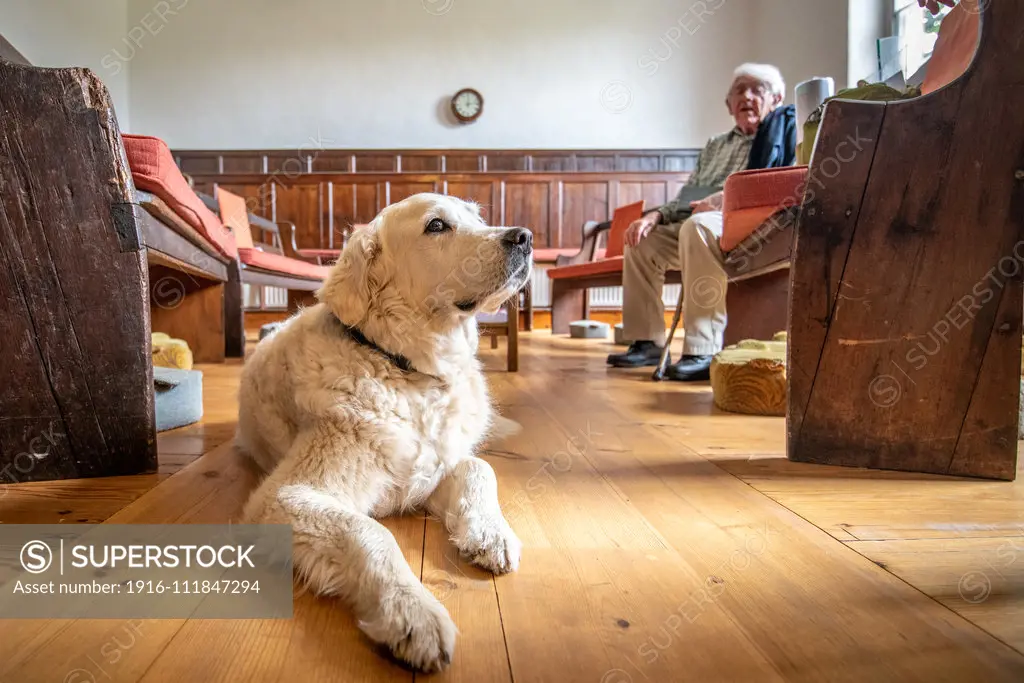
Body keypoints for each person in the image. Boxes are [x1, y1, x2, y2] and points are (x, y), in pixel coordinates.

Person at [607, 63, 788, 381]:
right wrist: (654, 216)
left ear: (776, 98)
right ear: (728, 103)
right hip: (700, 223)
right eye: (738, 90)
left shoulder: (785, 133)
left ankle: (702, 348)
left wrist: (719, 200)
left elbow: (777, 185)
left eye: (756, 90)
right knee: (641, 239)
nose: (746, 96)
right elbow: (688, 195)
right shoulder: (716, 144)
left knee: (698, 225)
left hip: (747, 224)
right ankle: (646, 340)